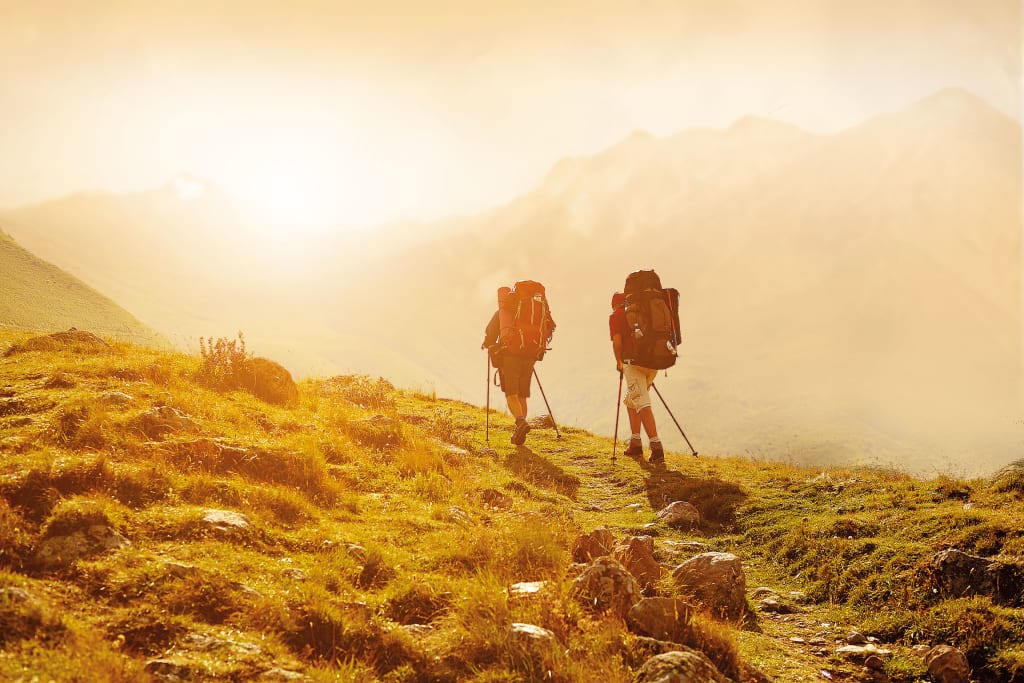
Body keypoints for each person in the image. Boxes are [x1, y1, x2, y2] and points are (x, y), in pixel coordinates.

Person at [481, 282, 555, 446]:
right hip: (531, 355)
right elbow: (550, 327)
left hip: (511, 355)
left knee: (511, 394)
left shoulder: (506, 310)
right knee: (522, 394)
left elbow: (491, 333)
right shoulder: (537, 309)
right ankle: (520, 431)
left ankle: (520, 422)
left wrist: (487, 343)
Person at [609, 291, 664, 462]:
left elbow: (617, 342)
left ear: (614, 304)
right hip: (653, 362)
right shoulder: (642, 312)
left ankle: (656, 448)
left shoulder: (616, 316)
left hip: (633, 363)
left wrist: (619, 362)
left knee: (641, 403)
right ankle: (635, 443)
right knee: (631, 400)